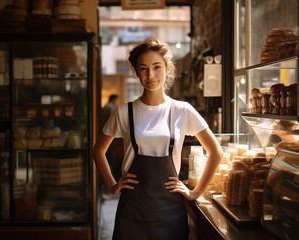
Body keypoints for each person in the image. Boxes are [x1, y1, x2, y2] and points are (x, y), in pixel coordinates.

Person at [93, 38, 223, 240]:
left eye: (156, 67)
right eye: (143, 68)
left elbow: (216, 152)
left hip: (170, 212)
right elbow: (98, 151)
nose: (150, 75)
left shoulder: (182, 110)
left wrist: (195, 193)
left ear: (167, 69)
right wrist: (112, 185)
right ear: (136, 72)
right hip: (132, 211)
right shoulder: (123, 112)